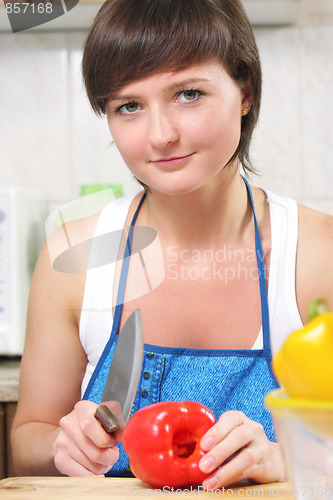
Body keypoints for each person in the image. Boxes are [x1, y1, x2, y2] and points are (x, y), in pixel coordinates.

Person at [11, 0, 333, 489]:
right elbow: (27, 440)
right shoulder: (73, 258)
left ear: (245, 92)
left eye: (188, 94)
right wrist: (62, 445)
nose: (160, 135)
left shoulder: (316, 254)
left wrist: (287, 458)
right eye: (129, 106)